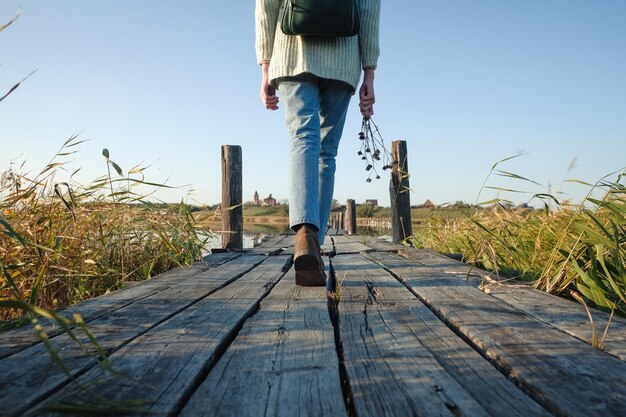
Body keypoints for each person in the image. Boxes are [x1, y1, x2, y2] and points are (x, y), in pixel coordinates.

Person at [255, 0, 380, 286]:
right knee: (326, 151)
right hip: (344, 57)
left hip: (290, 52)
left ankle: (305, 237)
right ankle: (314, 245)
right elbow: (370, 8)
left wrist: (265, 67)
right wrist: (370, 71)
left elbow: (265, 6)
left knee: (303, 136)